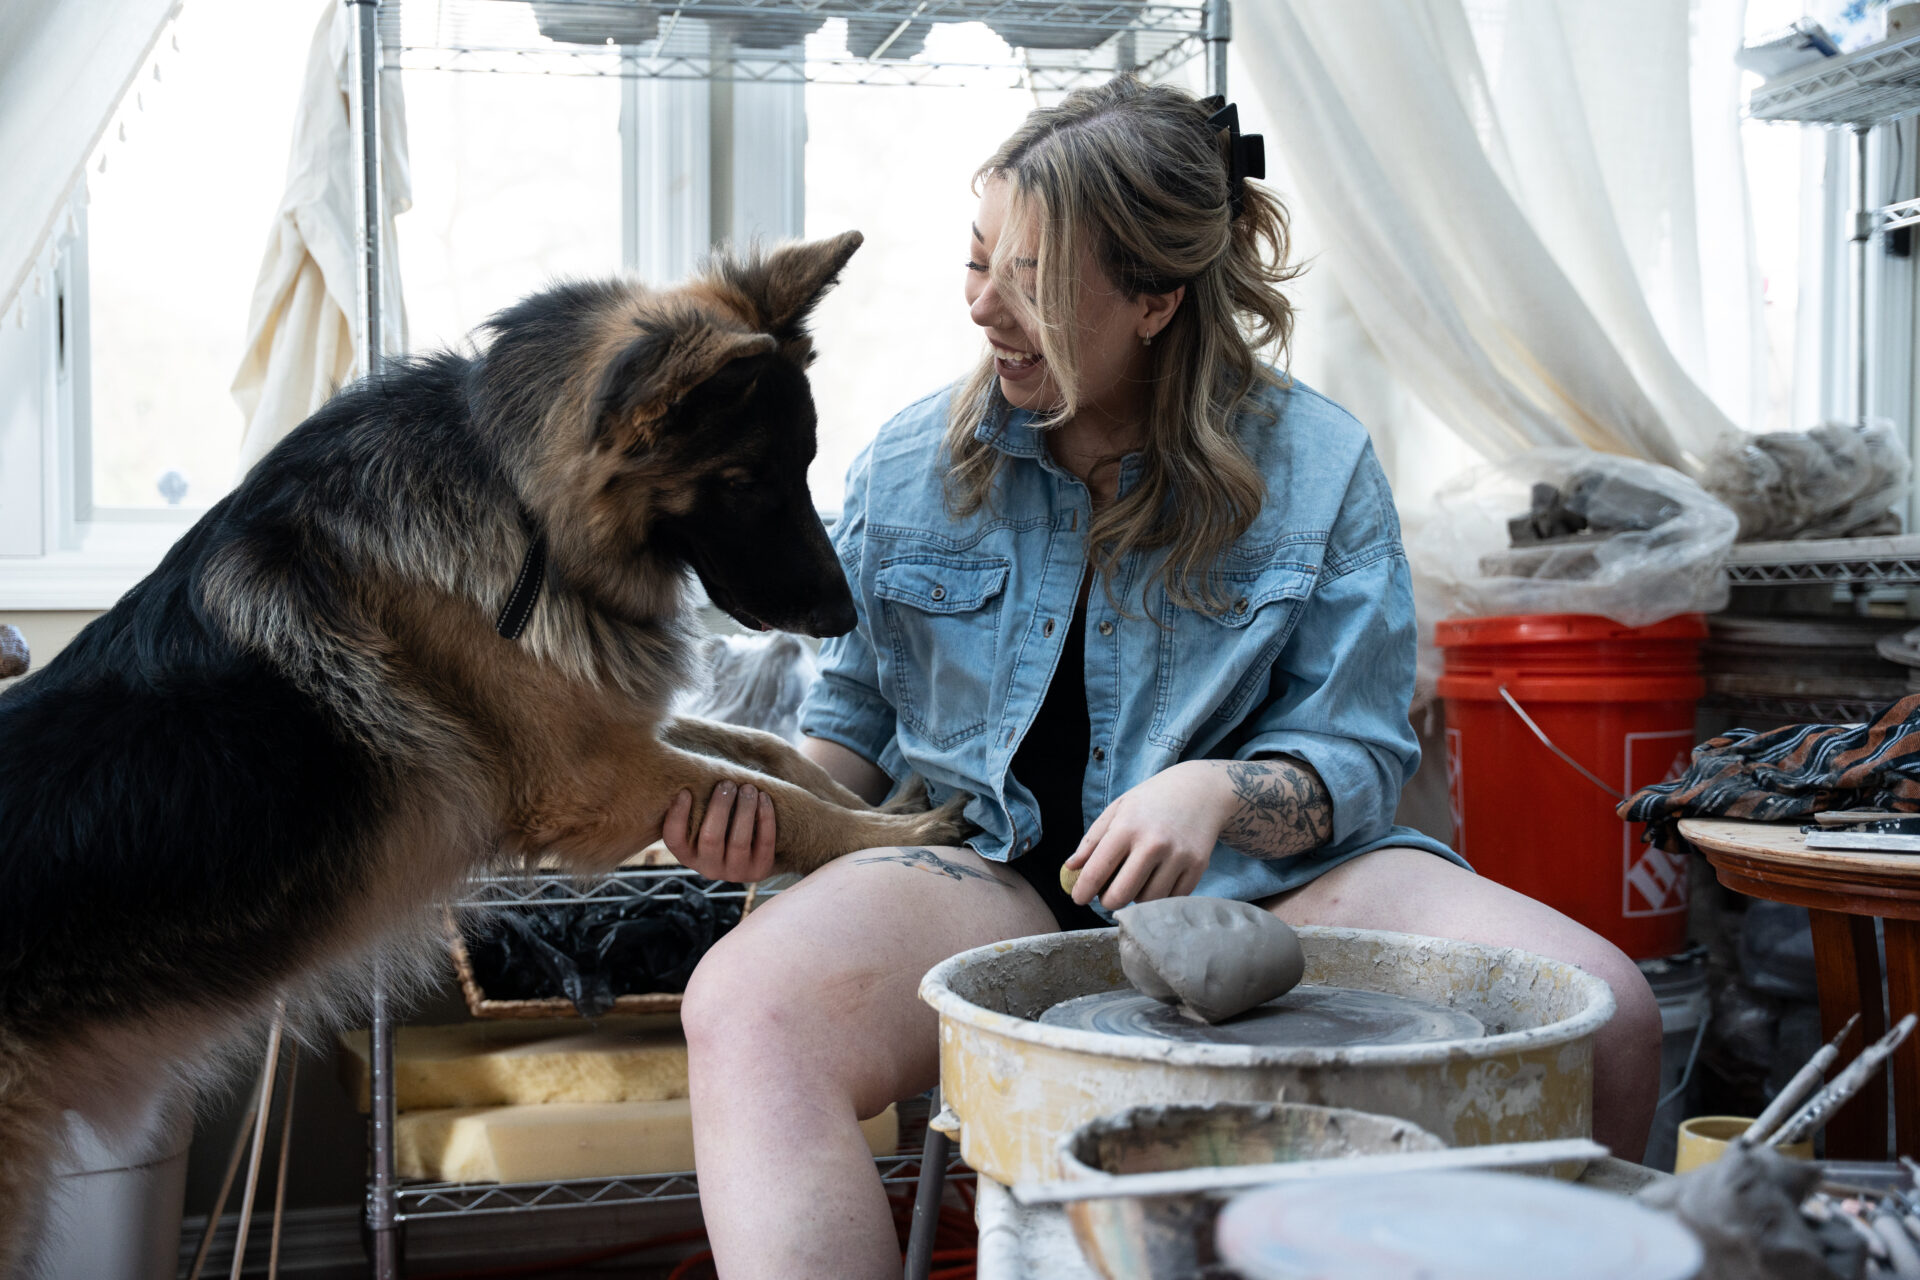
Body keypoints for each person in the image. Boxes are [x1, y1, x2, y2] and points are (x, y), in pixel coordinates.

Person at [664, 76, 1662, 1280]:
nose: (983, 306)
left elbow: (1353, 758)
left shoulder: (1320, 465)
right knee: (746, 1008)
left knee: (1605, 1008)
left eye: (1028, 278)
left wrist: (1215, 794)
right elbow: (855, 725)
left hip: (1277, 884)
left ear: (1155, 298)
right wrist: (765, 815)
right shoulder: (910, 460)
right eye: (975, 260)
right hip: (985, 866)